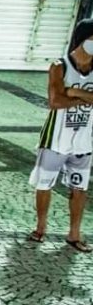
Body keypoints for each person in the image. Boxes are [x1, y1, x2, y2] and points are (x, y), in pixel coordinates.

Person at [28, 18, 93, 253]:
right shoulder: (60, 66)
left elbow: (66, 96)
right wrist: (83, 95)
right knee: (44, 184)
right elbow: (55, 101)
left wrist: (74, 92)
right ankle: (40, 227)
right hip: (55, 140)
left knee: (79, 188)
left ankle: (74, 233)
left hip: (84, 141)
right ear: (84, 39)